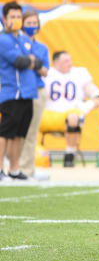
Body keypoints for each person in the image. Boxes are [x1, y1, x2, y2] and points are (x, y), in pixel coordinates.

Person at [39, 51, 99, 167]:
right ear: (56, 63)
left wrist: (86, 106)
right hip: (47, 114)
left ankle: (70, 154)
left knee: (73, 117)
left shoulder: (79, 73)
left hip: (70, 113)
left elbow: (97, 95)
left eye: (70, 60)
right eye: (66, 61)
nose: (70, 63)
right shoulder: (47, 73)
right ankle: (36, 153)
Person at [0, 1, 40, 180]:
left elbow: (37, 61)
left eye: (18, 16)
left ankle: (14, 169)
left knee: (19, 133)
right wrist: (29, 61)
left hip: (28, 92)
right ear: (4, 19)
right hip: (12, 92)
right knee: (5, 132)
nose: (16, 20)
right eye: (12, 17)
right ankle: (0, 168)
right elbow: (19, 62)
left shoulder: (23, 38)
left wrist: (30, 61)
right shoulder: (3, 39)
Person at [18, 10, 50, 180]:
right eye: (28, 23)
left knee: (31, 132)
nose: (32, 26)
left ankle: (27, 168)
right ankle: (14, 167)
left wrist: (31, 62)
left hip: (37, 91)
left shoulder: (41, 47)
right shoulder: (16, 43)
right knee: (15, 132)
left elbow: (44, 71)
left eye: (34, 23)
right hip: (19, 90)